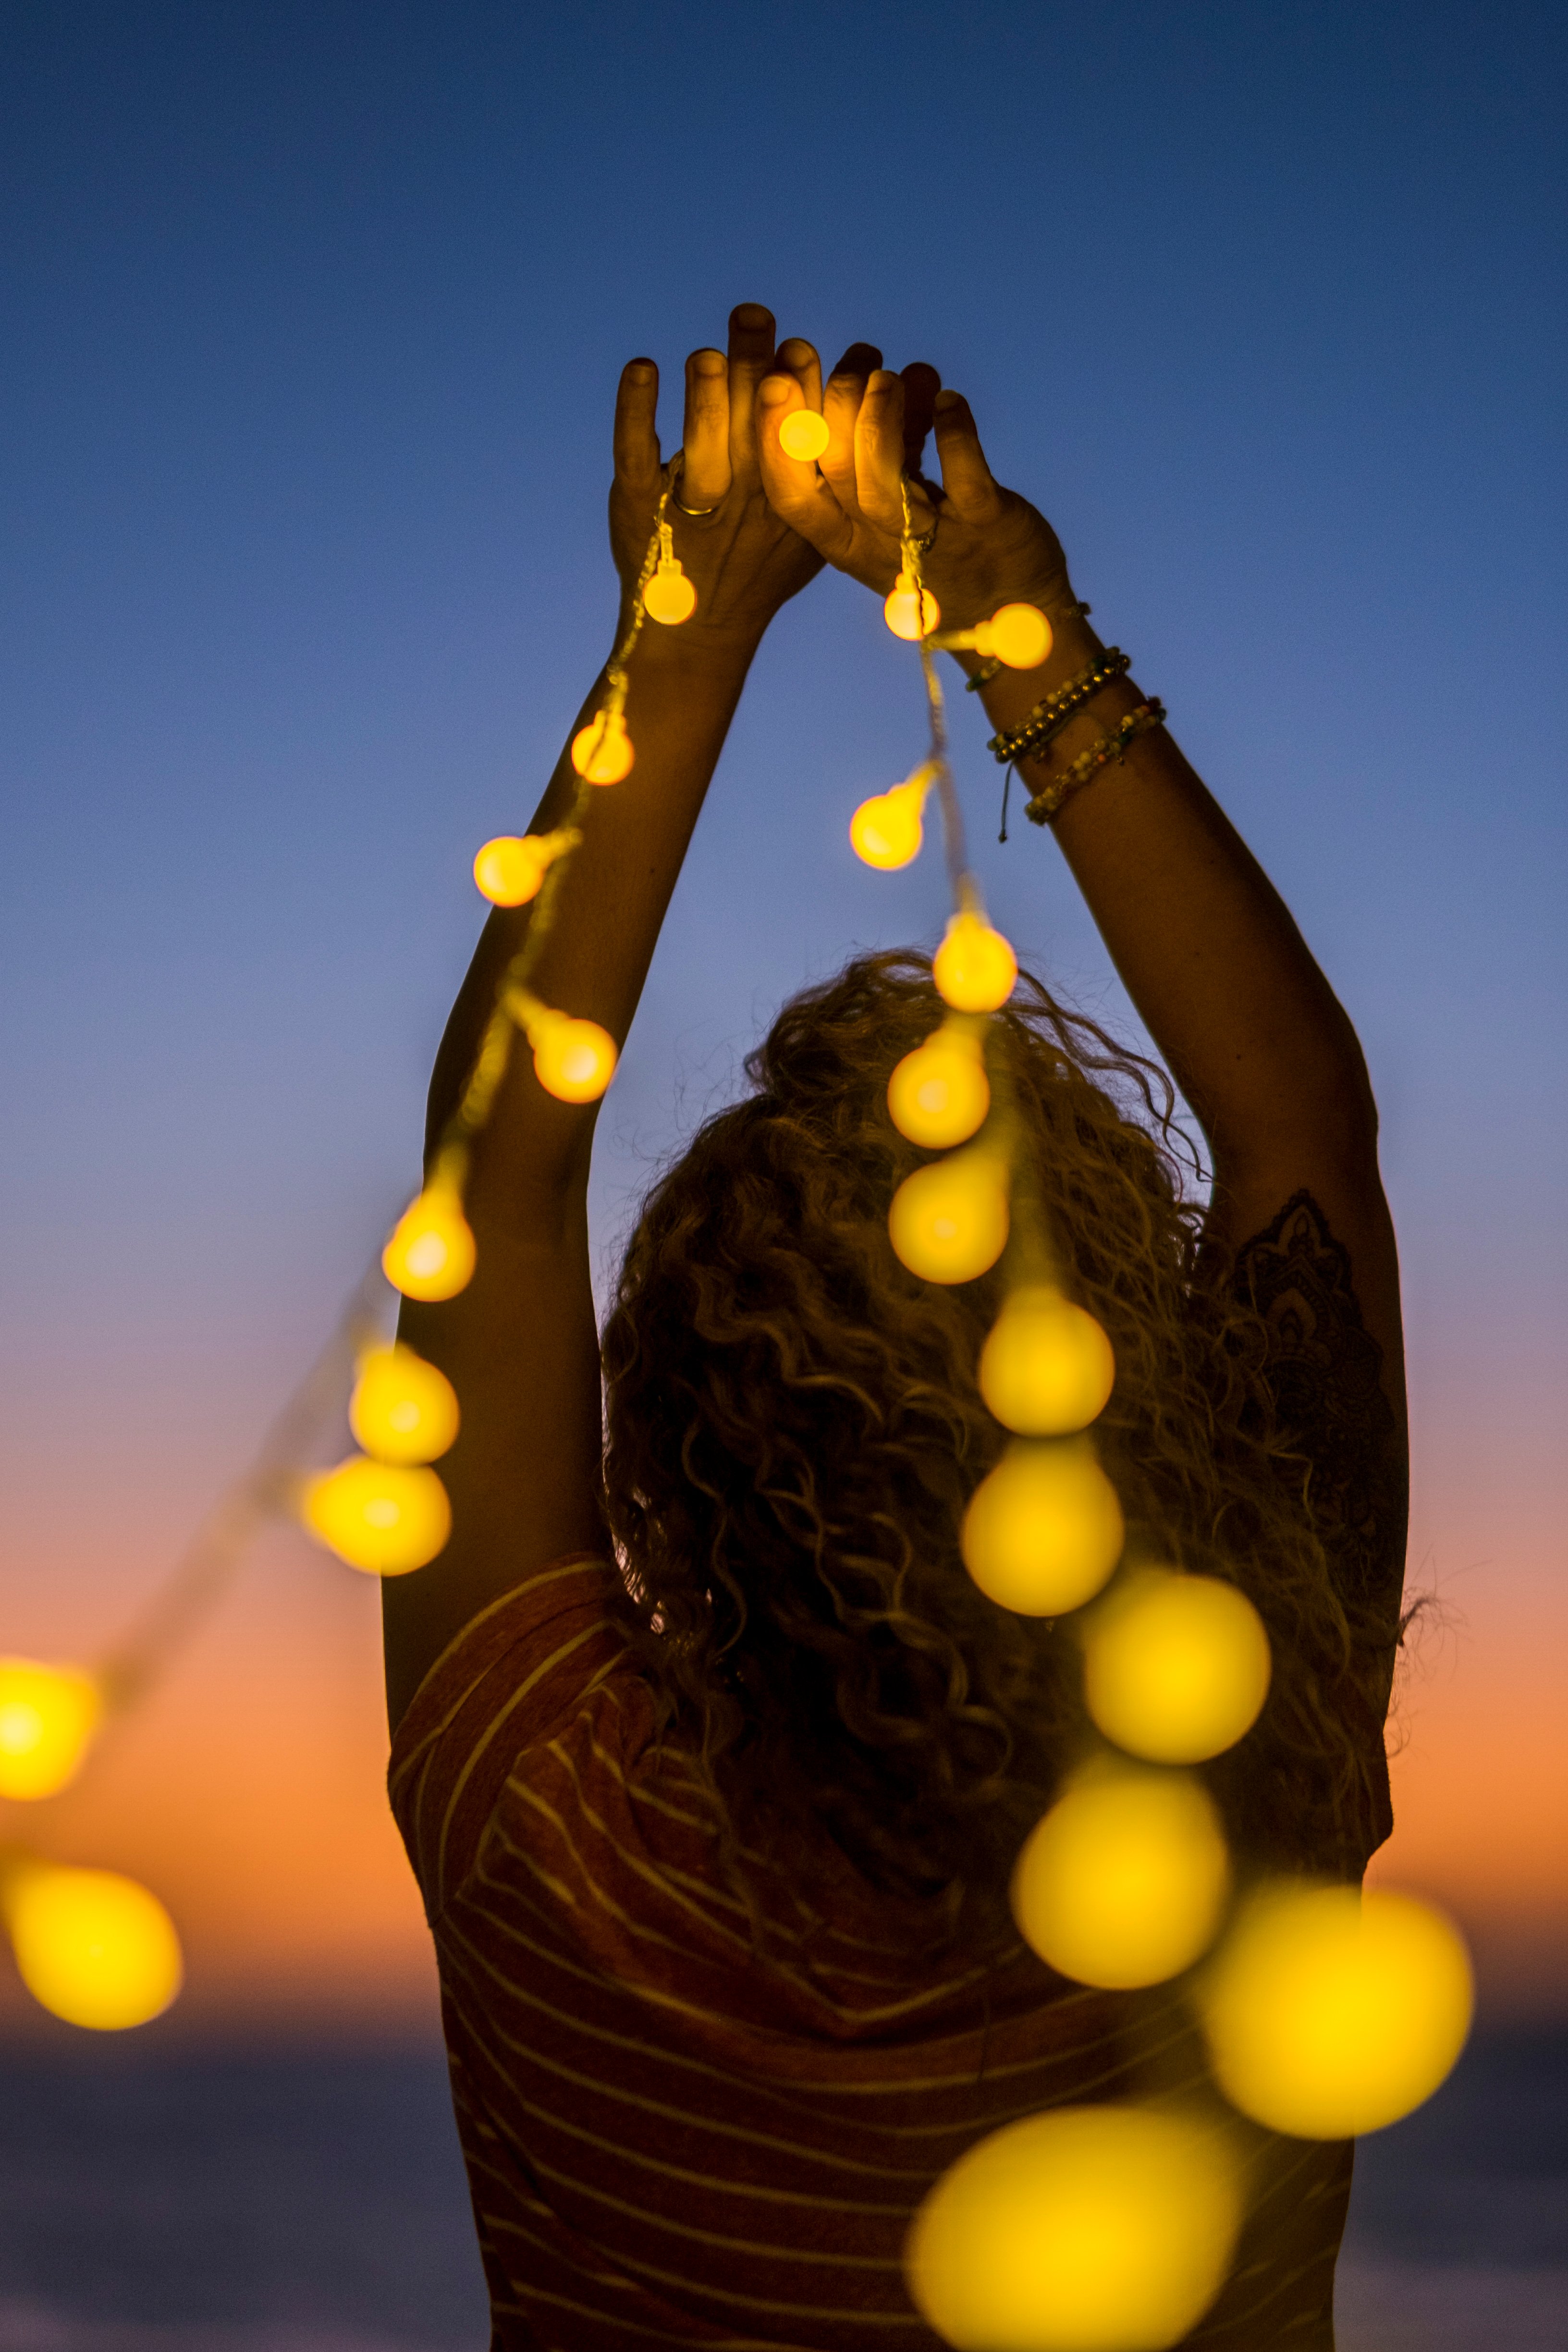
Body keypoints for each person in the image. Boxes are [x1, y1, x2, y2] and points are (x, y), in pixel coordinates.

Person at [383, 302, 1409, 2350]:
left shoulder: (553, 1826)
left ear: (672, 1432)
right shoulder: (1247, 1766)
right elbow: (1299, 1120)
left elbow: (497, 1176)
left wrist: (682, 629)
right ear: (1150, 1396)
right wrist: (1020, 625)